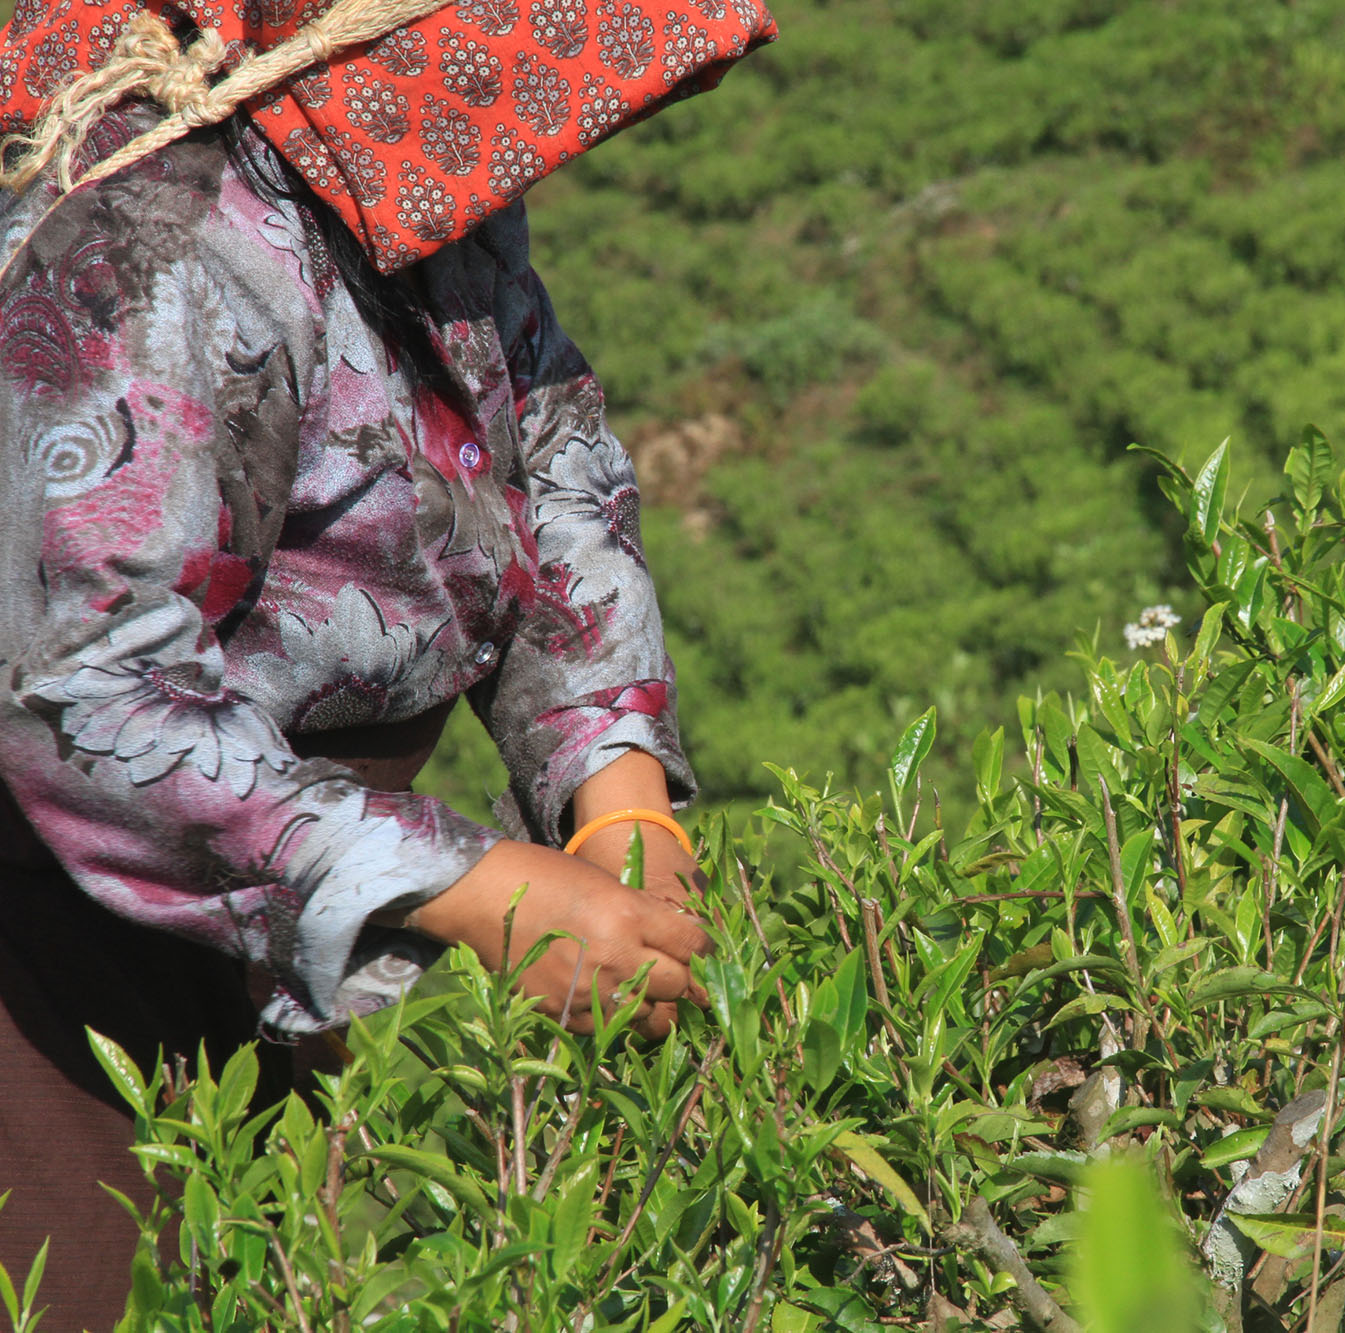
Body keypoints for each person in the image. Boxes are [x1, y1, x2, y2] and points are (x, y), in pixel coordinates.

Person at [0, 0, 776, 1323]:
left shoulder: (412, 195)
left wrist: (617, 790)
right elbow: (79, 690)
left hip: (244, 931)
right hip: (49, 957)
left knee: (238, 1260)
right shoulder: (154, 254)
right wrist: (467, 887)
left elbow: (544, 454)